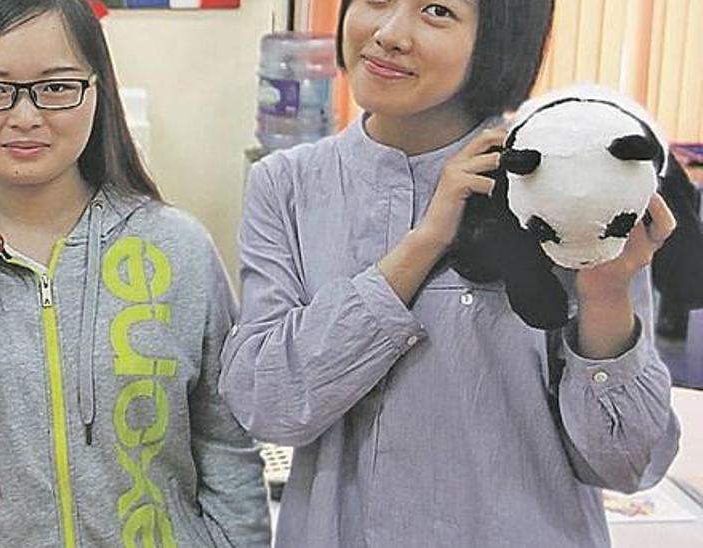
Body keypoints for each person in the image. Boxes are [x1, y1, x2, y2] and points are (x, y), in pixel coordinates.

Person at [220, 1, 680, 546]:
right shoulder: (287, 185)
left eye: (437, 10)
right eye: (375, 0)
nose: (389, 34)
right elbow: (265, 405)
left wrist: (605, 296)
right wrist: (424, 242)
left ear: (499, 39)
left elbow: (627, 464)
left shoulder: (559, 180)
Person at [0, 0, 269, 546]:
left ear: (99, 90)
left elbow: (226, 447)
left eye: (56, 86)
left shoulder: (176, 249)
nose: (25, 116)